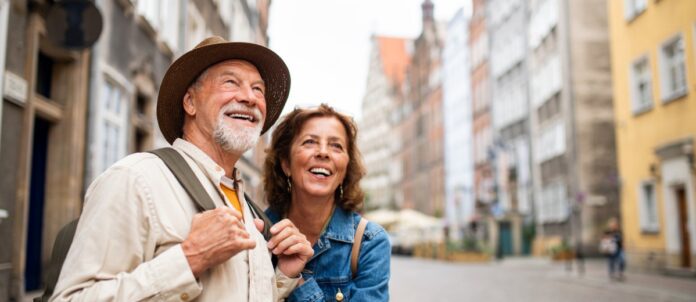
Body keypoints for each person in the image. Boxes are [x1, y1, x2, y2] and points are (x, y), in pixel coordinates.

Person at [51, 36, 313, 301]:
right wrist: (190, 258)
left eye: (258, 89)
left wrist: (282, 277)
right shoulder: (135, 179)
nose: (249, 97)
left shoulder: (248, 207)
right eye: (230, 82)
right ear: (190, 102)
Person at [263, 104, 391, 301]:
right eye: (310, 142)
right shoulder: (257, 233)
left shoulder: (370, 242)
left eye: (336, 146)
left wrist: (297, 284)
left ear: (346, 170)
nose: (323, 152)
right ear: (286, 163)